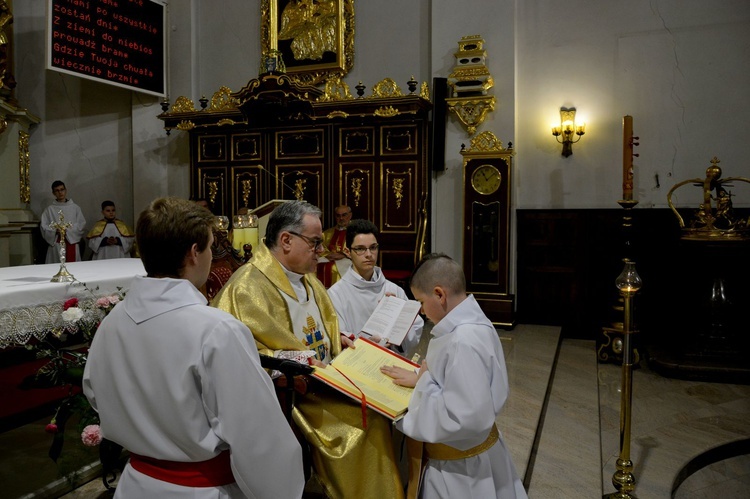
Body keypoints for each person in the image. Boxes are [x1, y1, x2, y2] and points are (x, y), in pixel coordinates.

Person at [82, 197, 304, 498]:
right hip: (202, 490)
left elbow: (96, 394)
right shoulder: (217, 331)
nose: (214, 255)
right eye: (211, 247)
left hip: (135, 484)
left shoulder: (113, 322)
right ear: (194, 253)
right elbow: (260, 439)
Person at [211, 200, 404, 499]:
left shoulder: (308, 280)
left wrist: (336, 338)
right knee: (369, 424)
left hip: (324, 380)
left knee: (390, 403)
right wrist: (301, 360)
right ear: (286, 240)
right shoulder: (247, 288)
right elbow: (236, 355)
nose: (321, 251)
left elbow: (315, 328)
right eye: (315, 243)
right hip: (293, 394)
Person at [381, 254, 527, 499]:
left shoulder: (463, 341)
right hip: (477, 454)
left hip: (461, 470)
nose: (421, 310)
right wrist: (421, 376)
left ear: (440, 294)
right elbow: (455, 381)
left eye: (421, 301)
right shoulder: (473, 324)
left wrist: (424, 383)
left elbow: (463, 417)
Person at [328, 219, 424, 359]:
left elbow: (416, 328)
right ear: (348, 252)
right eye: (360, 249)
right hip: (357, 365)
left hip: (391, 362)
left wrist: (396, 335)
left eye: (373, 247)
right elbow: (338, 336)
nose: (368, 254)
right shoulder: (336, 294)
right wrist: (368, 346)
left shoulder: (394, 290)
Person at [40, 180, 86, 263]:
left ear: (66, 190)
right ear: (53, 193)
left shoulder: (75, 208)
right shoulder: (49, 209)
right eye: (57, 191)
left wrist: (67, 230)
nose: (60, 192)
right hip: (56, 243)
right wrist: (55, 230)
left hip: (71, 242)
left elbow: (81, 224)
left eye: (62, 189)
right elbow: (44, 226)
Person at [316, 204, 352, 287]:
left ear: (350, 215)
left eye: (344, 215)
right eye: (338, 216)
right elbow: (321, 248)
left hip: (348, 259)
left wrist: (343, 254)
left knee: (334, 269)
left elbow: (358, 248)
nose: (341, 218)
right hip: (329, 259)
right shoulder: (327, 233)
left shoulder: (356, 232)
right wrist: (328, 254)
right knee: (315, 266)